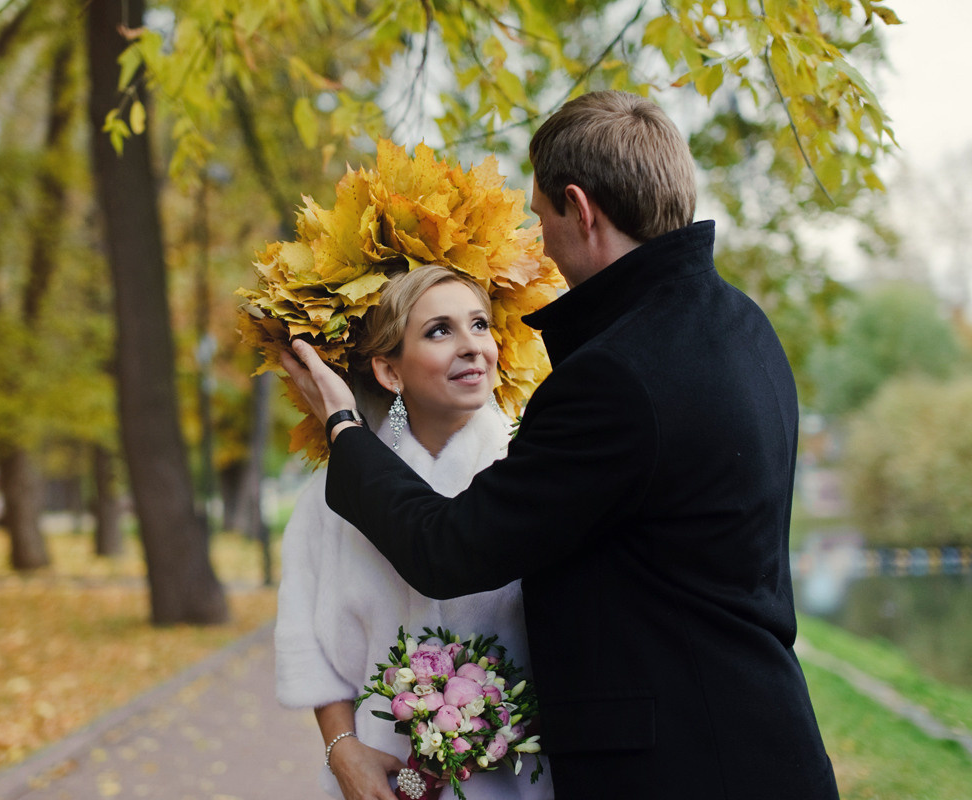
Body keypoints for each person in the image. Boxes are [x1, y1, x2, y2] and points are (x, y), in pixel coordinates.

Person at [281, 90, 839, 799]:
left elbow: (450, 549)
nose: (540, 240)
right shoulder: (742, 324)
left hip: (685, 768)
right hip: (766, 745)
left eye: (542, 217)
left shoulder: (617, 374)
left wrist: (342, 427)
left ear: (580, 209)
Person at [275, 264, 554, 800]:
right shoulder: (328, 500)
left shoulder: (536, 472)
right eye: (440, 330)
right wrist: (343, 753)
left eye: (479, 324)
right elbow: (307, 639)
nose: (473, 346)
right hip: (381, 782)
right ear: (389, 372)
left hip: (524, 785)